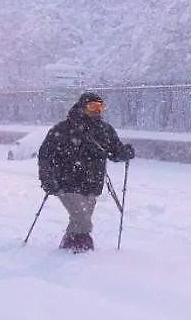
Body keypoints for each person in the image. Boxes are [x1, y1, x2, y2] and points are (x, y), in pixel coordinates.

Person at [37, 91, 135, 253]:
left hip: (92, 183)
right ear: (82, 108)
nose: (97, 110)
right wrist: (47, 179)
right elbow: (45, 155)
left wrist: (125, 153)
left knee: (81, 218)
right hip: (65, 183)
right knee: (82, 219)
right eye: (92, 106)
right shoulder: (62, 129)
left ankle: (68, 245)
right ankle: (80, 249)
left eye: (100, 106)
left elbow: (115, 152)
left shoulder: (105, 129)